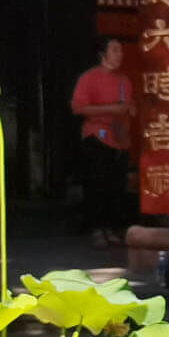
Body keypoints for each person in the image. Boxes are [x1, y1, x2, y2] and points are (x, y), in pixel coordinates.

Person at [70, 36, 134, 248]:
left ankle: (111, 228)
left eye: (121, 50)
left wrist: (130, 109)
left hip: (119, 137)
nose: (120, 54)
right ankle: (97, 229)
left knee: (117, 186)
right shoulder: (89, 78)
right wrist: (111, 109)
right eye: (115, 50)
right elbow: (78, 108)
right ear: (103, 54)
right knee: (97, 184)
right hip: (97, 136)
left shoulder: (124, 80)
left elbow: (127, 107)